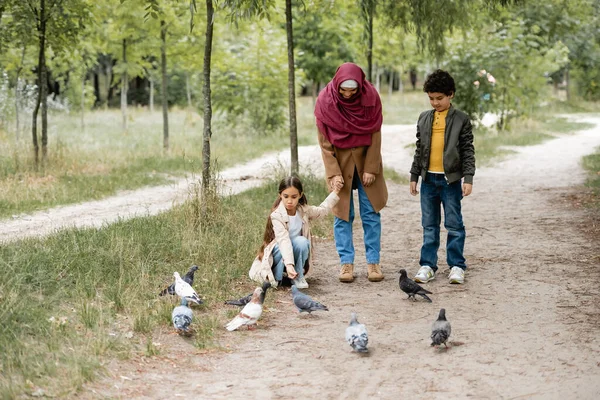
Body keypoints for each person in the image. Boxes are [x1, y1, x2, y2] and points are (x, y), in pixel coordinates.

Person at [314, 62, 388, 283]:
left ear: (360, 86)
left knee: (371, 213)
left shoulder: (371, 98)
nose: (347, 94)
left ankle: (373, 263)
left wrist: (371, 167)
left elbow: (375, 134)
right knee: (342, 215)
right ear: (337, 85)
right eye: (343, 90)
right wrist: (333, 173)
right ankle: (346, 264)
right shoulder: (325, 102)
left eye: (352, 90)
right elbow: (325, 143)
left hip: (366, 163)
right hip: (340, 165)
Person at [409, 69, 475, 285]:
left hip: (451, 182)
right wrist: (414, 175)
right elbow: (420, 149)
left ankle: (457, 265)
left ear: (451, 95)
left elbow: (467, 150)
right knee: (429, 224)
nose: (435, 102)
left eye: (439, 98)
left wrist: (468, 178)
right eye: (431, 98)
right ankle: (428, 265)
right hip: (428, 181)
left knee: (454, 224)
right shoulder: (424, 118)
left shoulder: (461, 119)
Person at [249, 176, 342, 289]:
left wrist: (335, 192)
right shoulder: (277, 216)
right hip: (279, 255)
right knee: (285, 245)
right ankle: (280, 276)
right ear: (280, 195)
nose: (289, 201)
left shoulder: (303, 211)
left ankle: (298, 276)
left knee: (302, 242)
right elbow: (284, 241)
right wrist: (289, 264)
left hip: (296, 252)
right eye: (286, 196)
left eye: (294, 197)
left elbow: (322, 211)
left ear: (300, 195)